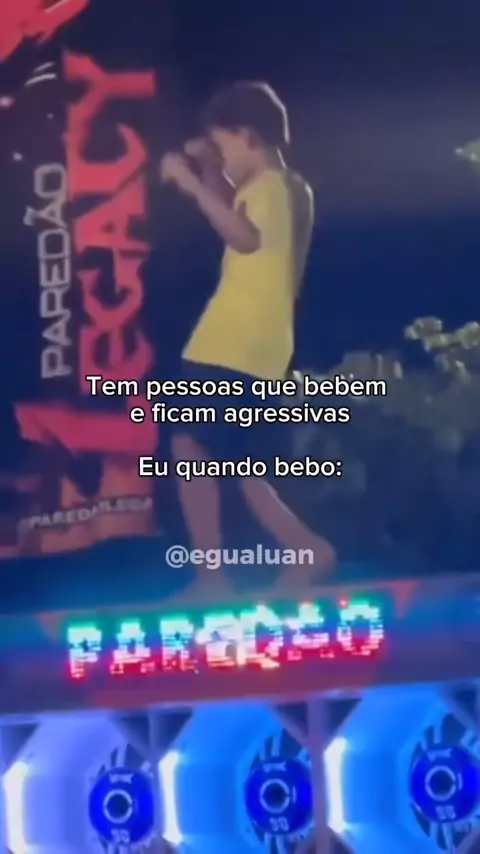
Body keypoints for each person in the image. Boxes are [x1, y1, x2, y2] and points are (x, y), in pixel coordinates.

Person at [159, 81, 336, 590]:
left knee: (194, 448)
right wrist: (208, 169)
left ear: (249, 136)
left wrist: (190, 184)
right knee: (233, 460)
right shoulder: (279, 189)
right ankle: (302, 550)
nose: (224, 159)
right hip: (255, 346)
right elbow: (236, 216)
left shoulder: (275, 187)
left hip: (232, 342)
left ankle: (214, 574)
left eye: (225, 146)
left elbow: (243, 237)